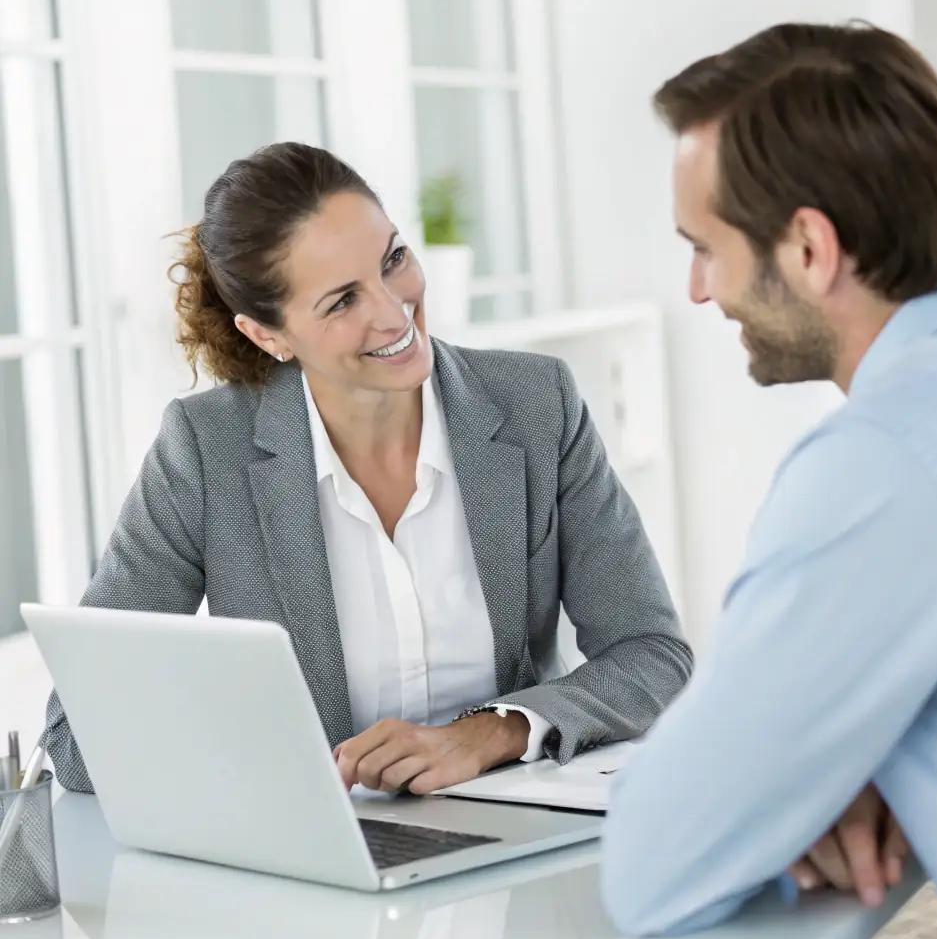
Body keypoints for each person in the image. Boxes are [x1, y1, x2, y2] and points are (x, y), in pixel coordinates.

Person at [601, 23, 937, 939]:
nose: (698, 290)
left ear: (808, 246)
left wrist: (793, 784)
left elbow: (657, 868)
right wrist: (849, 762)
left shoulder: (886, 461)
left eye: (705, 249)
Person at [48, 142, 692, 796]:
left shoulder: (537, 403)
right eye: (341, 300)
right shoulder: (205, 451)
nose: (393, 310)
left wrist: (491, 731)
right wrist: (268, 754)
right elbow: (76, 738)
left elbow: (651, 653)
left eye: (394, 259)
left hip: (522, 838)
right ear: (267, 334)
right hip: (325, 861)